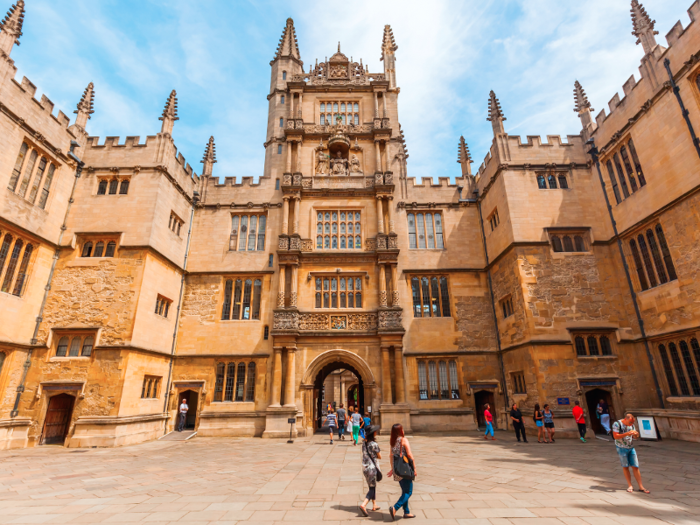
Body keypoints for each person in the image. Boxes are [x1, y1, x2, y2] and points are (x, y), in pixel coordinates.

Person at [612, 412, 650, 494]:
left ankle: (641, 486)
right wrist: (627, 433)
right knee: (625, 466)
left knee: (635, 466)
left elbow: (635, 437)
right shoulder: (617, 424)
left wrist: (636, 434)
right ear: (625, 419)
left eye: (632, 423)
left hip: (631, 447)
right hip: (621, 447)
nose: (631, 424)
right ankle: (630, 485)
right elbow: (615, 436)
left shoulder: (632, 425)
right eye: (630, 422)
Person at [388, 423, 416, 520]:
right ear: (400, 431)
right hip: (405, 469)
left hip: (397, 470)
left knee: (404, 491)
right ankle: (395, 508)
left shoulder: (392, 441)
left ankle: (406, 512)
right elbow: (410, 455)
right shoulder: (403, 440)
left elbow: (391, 456)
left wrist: (393, 469)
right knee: (409, 492)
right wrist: (414, 468)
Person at [359, 425, 382, 517]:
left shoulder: (364, 443)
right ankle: (364, 504)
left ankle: (374, 505)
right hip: (372, 468)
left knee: (371, 486)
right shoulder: (374, 444)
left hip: (365, 467)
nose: (376, 432)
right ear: (373, 433)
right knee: (372, 488)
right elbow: (379, 456)